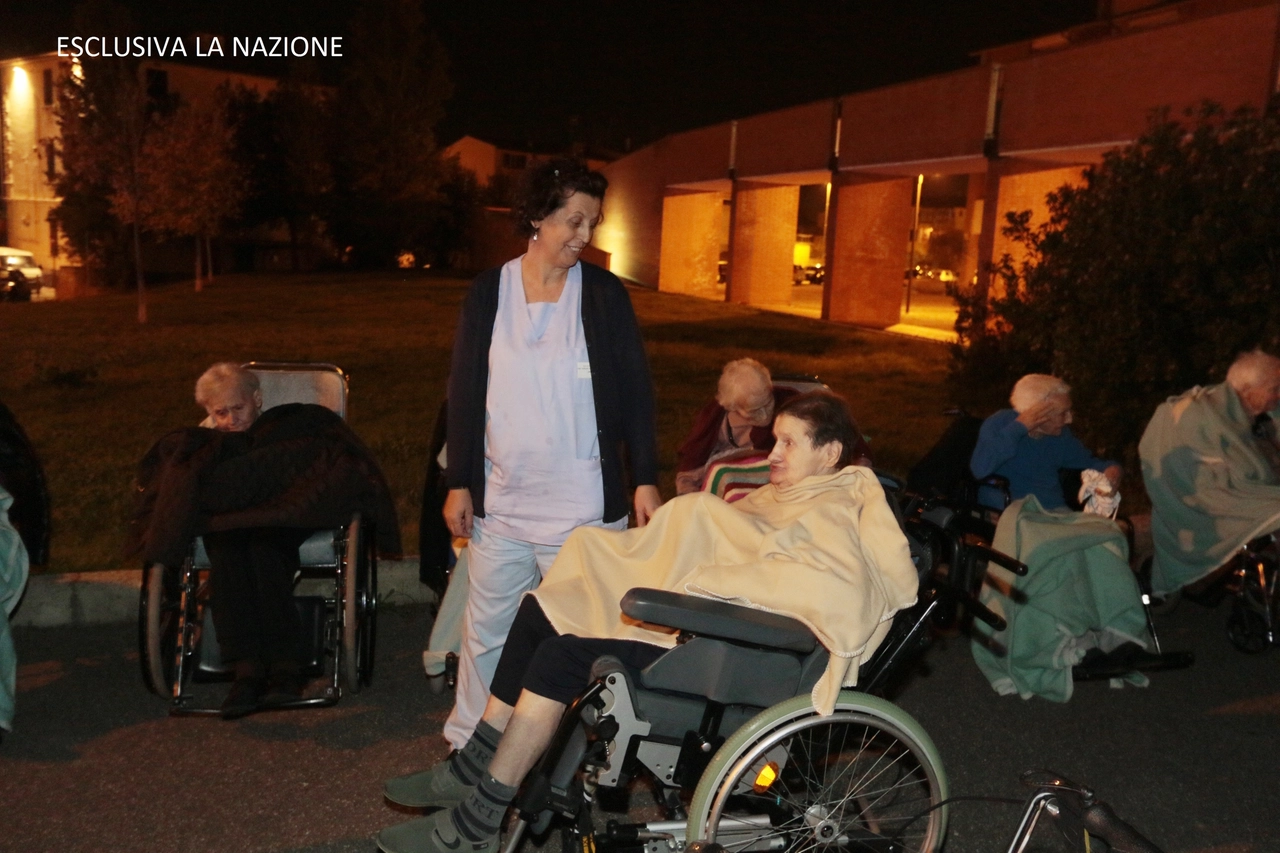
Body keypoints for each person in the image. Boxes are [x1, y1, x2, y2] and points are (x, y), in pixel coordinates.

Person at [378, 391, 919, 853]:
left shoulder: (833, 512)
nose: (772, 453)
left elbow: (830, 595)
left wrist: (712, 568)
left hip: (729, 660)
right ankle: (475, 763)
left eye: (788, 443)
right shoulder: (792, 498)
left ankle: (479, 821)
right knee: (545, 605)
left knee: (561, 655)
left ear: (828, 453)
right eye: (773, 439)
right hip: (707, 632)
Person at [439, 158, 661, 752]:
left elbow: (637, 391)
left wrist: (644, 478)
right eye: (573, 220)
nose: (585, 236)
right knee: (486, 633)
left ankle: (564, 755)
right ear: (537, 217)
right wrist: (460, 480)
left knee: (582, 637)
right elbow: (464, 393)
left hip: (583, 510)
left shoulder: (604, 294)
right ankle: (468, 747)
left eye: (592, 222)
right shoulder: (490, 293)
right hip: (504, 503)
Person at [130, 363, 400, 719]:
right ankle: (247, 671)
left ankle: (286, 669)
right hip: (228, 524)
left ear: (256, 399)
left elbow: (324, 467)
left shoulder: (291, 425)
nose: (229, 420)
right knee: (228, 556)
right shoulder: (204, 441)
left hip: (282, 516)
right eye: (219, 413)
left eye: (237, 409)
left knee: (265, 552)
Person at [1139, 349, 1280, 597]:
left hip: (1236, 490)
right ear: (1248, 389)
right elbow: (1240, 472)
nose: (1278, 395)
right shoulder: (1202, 414)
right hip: (1208, 502)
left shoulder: (1238, 411)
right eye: (1274, 388)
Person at [675, 359, 871, 495]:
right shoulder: (715, 417)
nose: (764, 414)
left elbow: (842, 429)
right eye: (752, 410)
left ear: (770, 388)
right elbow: (692, 464)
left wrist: (861, 460)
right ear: (732, 407)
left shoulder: (792, 403)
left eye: (767, 402)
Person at [970, 374, 1121, 511]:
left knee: (1110, 534)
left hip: (1053, 511)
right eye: (1063, 413)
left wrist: (1113, 471)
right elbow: (980, 468)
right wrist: (1020, 427)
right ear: (1038, 412)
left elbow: (1090, 462)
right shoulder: (1000, 423)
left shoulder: (1061, 436)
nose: (1069, 419)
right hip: (1015, 512)